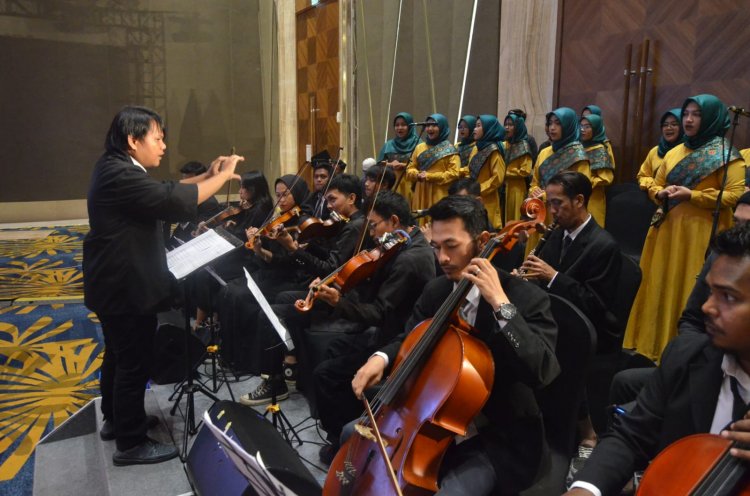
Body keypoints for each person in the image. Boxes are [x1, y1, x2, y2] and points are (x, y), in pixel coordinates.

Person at [349, 194, 559, 495]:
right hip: (433, 422)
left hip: (497, 435)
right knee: (353, 439)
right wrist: (380, 358)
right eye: (436, 247)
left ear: (483, 240)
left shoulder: (524, 297)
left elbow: (543, 371)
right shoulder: (437, 290)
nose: (443, 259)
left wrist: (501, 306)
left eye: (452, 246)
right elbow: (409, 337)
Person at [83, 105, 242, 465]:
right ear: (132, 139)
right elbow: (169, 200)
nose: (163, 146)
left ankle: (117, 420)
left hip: (113, 283)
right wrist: (224, 177)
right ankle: (131, 442)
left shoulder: (117, 168)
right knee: (133, 362)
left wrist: (206, 175)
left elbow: (166, 190)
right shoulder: (119, 175)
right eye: (157, 138)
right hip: (124, 287)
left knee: (119, 354)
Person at [565, 223, 750, 496]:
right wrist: (585, 488)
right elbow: (631, 436)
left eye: (728, 297)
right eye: (711, 292)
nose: (707, 307)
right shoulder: (686, 356)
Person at [623, 94, 746, 361]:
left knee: (686, 286)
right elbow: (654, 183)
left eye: (696, 115)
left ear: (711, 118)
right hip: (666, 229)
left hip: (699, 232)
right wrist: (659, 193)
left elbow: (734, 195)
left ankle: (678, 353)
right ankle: (650, 344)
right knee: (660, 283)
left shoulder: (727, 155)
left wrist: (693, 195)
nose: (688, 120)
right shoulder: (675, 151)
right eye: (686, 114)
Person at [526, 107, 590, 255]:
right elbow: (534, 182)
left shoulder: (577, 155)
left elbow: (581, 190)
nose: (552, 128)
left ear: (568, 125)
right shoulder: (544, 152)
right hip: (539, 213)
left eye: (558, 123)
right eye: (550, 123)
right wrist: (533, 191)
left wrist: (547, 196)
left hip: (562, 215)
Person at [405, 114, 461, 216]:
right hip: (420, 192)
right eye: (427, 125)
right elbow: (410, 169)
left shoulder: (450, 149)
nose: (430, 128)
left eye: (434, 125)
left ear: (442, 127)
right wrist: (417, 175)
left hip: (440, 193)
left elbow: (454, 173)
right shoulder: (419, 147)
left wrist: (429, 176)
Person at [461, 114, 506, 229]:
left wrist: (479, 189)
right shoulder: (476, 147)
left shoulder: (494, 151)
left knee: (486, 230)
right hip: (472, 196)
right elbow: (469, 168)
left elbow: (497, 178)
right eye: (475, 126)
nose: (474, 129)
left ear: (488, 129)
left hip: (487, 200)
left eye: (478, 126)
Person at [378, 112, 423, 202]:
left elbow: (423, 165)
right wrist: (391, 164)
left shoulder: (419, 144)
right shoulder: (389, 144)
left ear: (410, 126)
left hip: (412, 186)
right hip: (391, 185)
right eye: (397, 125)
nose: (400, 128)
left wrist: (403, 165)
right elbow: (379, 164)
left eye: (403, 125)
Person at [579, 114, 614, 227]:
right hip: (577, 197)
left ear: (596, 129)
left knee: (591, 231)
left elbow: (606, 178)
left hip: (593, 198)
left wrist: (586, 182)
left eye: (587, 127)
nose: (583, 130)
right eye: (581, 126)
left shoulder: (600, 150)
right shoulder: (578, 148)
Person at [636, 108, 684, 191]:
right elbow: (643, 175)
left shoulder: (688, 151)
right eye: (665, 125)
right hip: (653, 194)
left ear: (683, 127)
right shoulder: (655, 151)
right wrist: (653, 188)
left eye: (674, 124)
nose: (669, 128)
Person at [503, 112, 533, 223]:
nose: (507, 127)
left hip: (517, 188)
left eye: (510, 125)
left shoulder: (524, 146)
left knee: (514, 218)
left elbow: (526, 171)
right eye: (505, 124)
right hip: (504, 187)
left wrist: (508, 172)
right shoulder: (505, 144)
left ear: (518, 126)